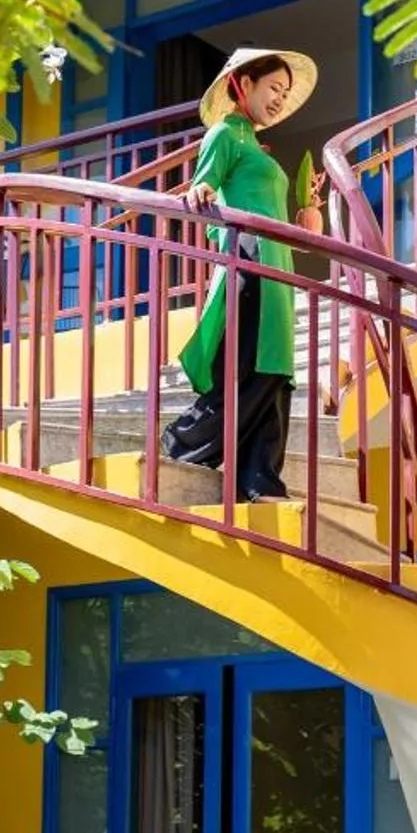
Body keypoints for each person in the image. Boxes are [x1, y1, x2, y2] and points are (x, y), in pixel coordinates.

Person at [162, 47, 322, 504]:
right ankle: (183, 443)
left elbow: (274, 220)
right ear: (243, 84)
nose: (279, 99)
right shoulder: (227, 133)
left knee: (275, 369)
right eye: (274, 88)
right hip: (247, 257)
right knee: (249, 364)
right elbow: (203, 185)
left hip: (275, 263)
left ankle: (259, 478)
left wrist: (306, 219)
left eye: (285, 93)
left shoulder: (255, 144)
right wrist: (204, 188)